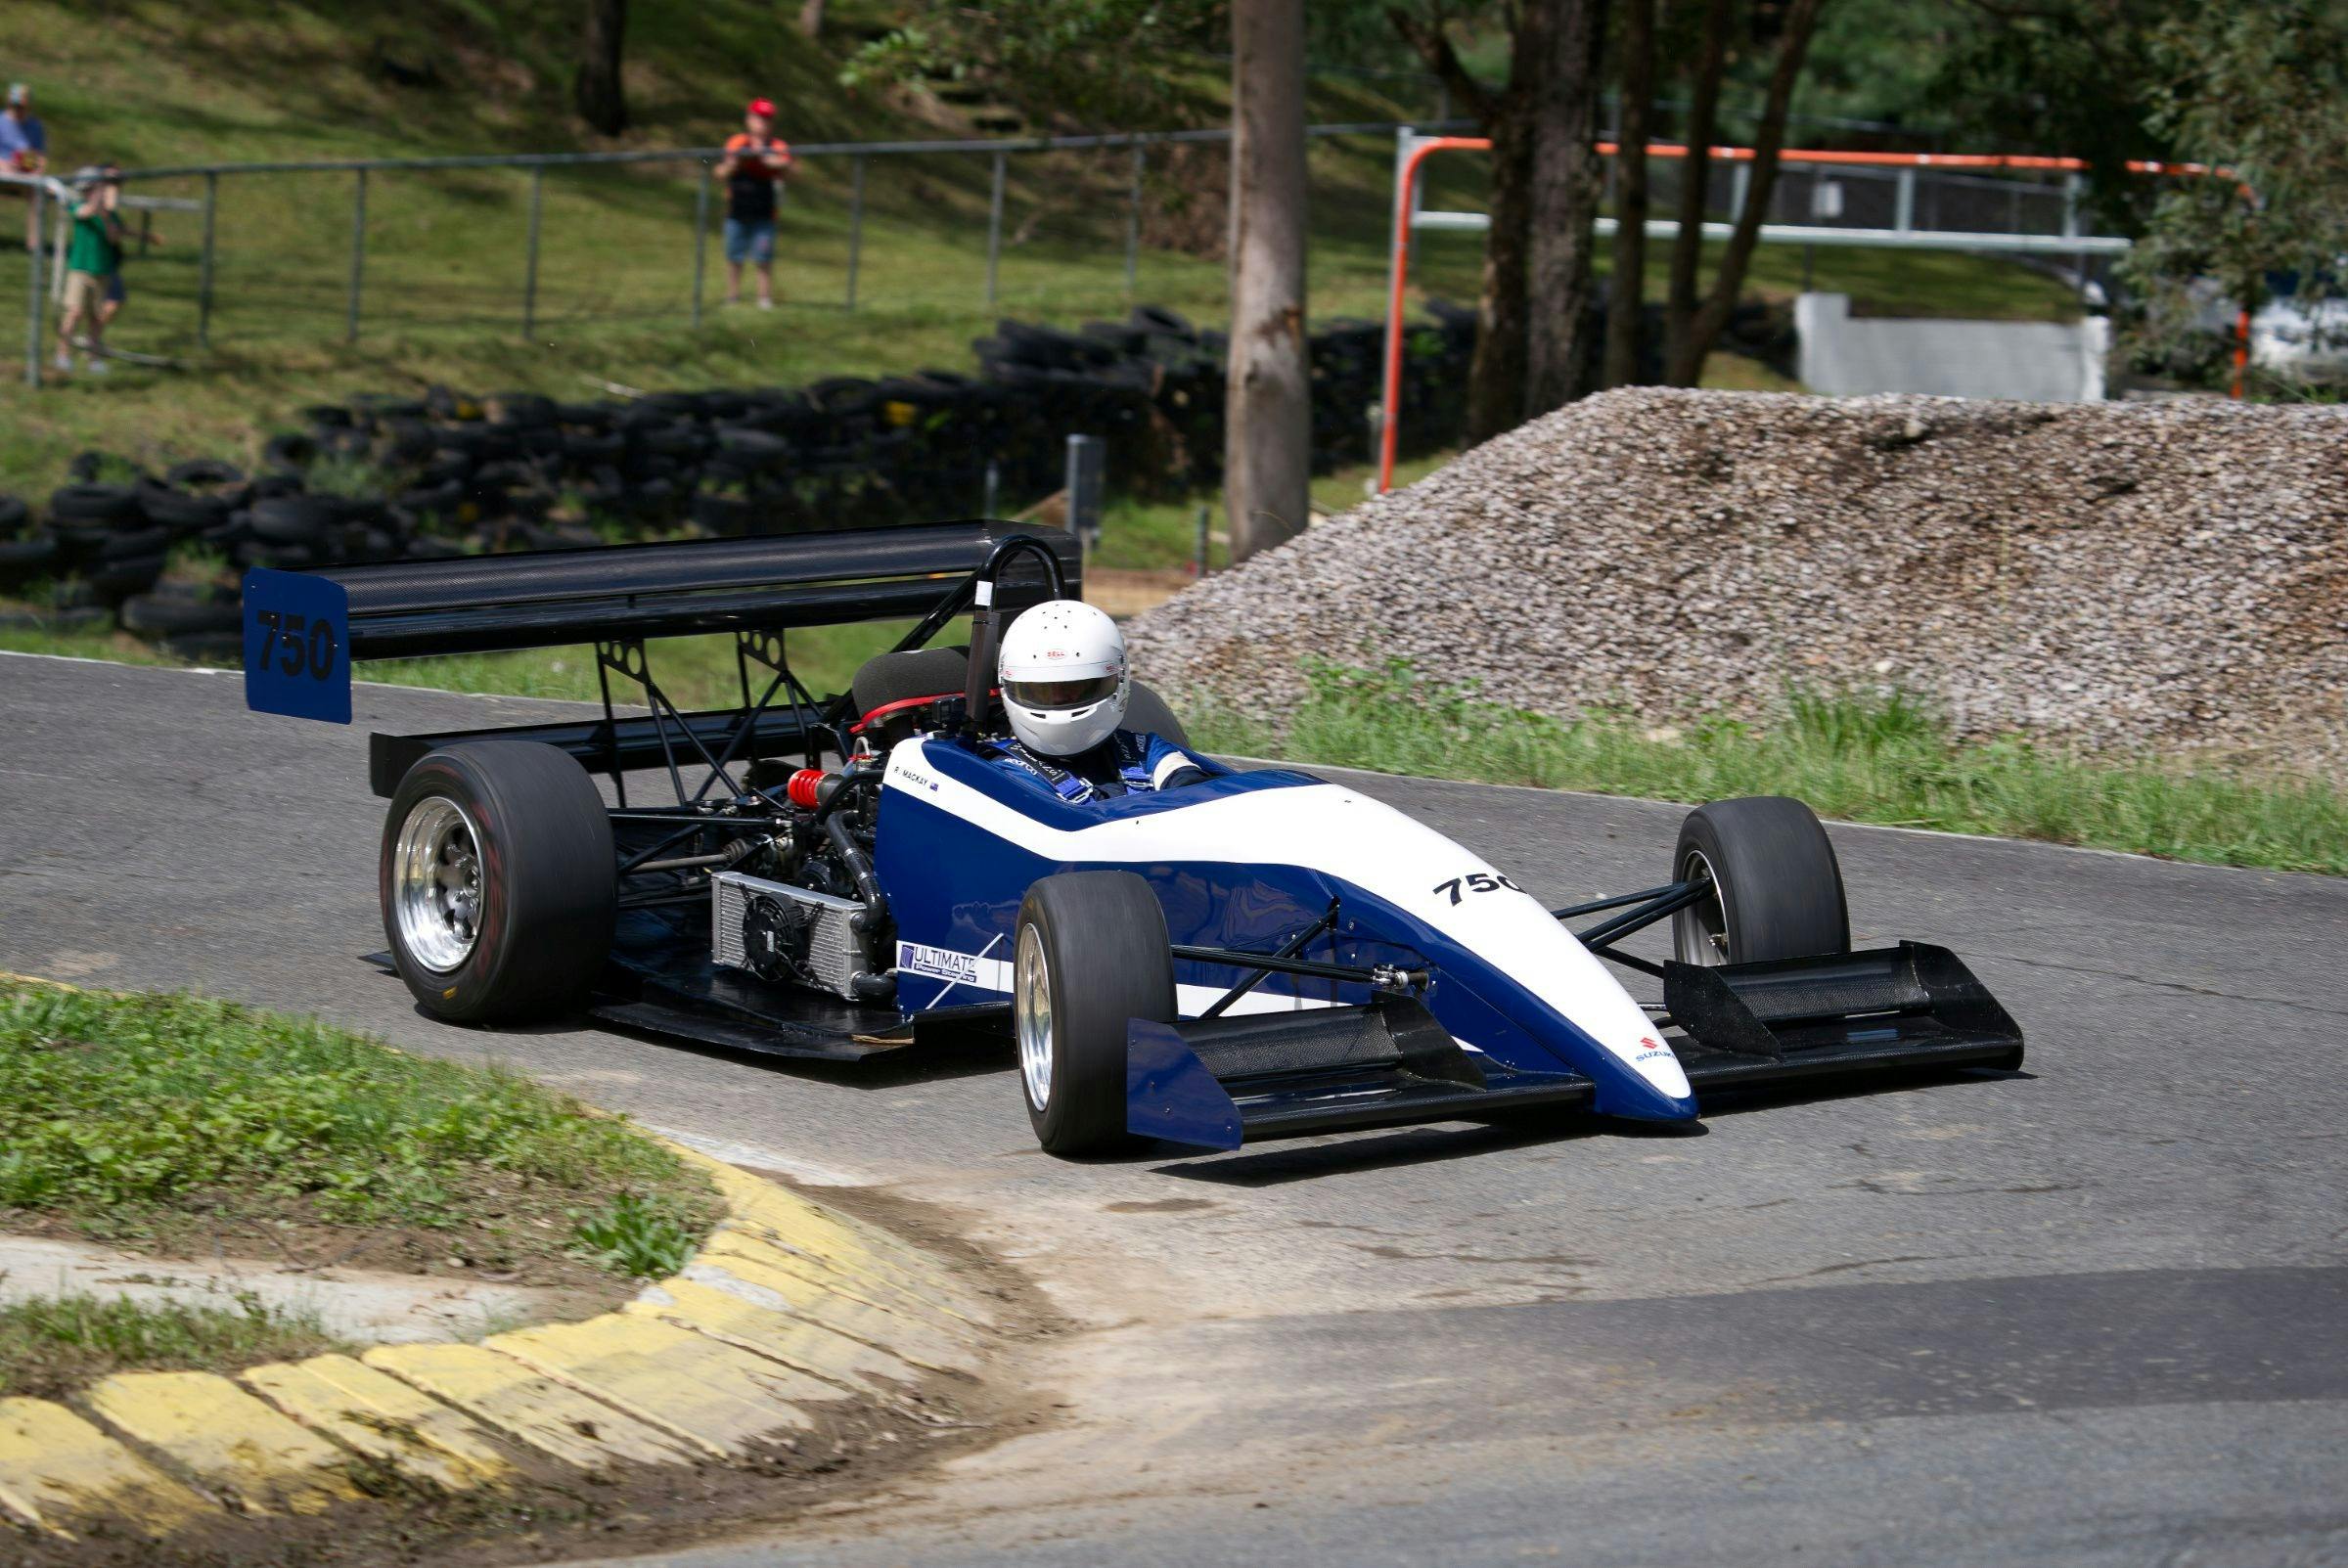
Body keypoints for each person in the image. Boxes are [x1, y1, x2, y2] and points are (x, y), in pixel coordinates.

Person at [985, 600, 1212, 802]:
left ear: (1119, 679)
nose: (1060, 701)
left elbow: (1197, 797)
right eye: (1042, 692)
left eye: (1076, 689)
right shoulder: (1007, 773)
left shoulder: (1145, 751)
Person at [56, 165, 157, 375]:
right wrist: (98, 197)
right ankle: (62, 354)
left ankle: (93, 358)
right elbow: (84, 213)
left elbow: (113, 237)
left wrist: (107, 215)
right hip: (81, 270)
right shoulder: (78, 206)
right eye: (96, 189)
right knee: (75, 312)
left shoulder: (108, 215)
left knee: (96, 318)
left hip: (102, 272)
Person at [715, 98, 791, 310]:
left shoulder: (777, 146)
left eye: (767, 119)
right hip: (737, 210)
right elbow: (720, 172)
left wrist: (774, 162)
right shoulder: (737, 143)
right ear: (749, 119)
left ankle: (764, 298)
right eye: (759, 118)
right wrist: (736, 163)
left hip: (765, 212)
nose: (763, 124)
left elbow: (789, 167)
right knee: (734, 256)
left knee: (763, 257)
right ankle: (732, 297)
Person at [0, 83, 47, 252]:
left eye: (22, 107)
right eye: (16, 106)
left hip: (25, 174)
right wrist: (5, 165)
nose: (19, 110)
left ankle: (33, 243)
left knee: (37, 193)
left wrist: (35, 168)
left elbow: (40, 157)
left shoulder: (35, 127)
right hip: (2, 172)